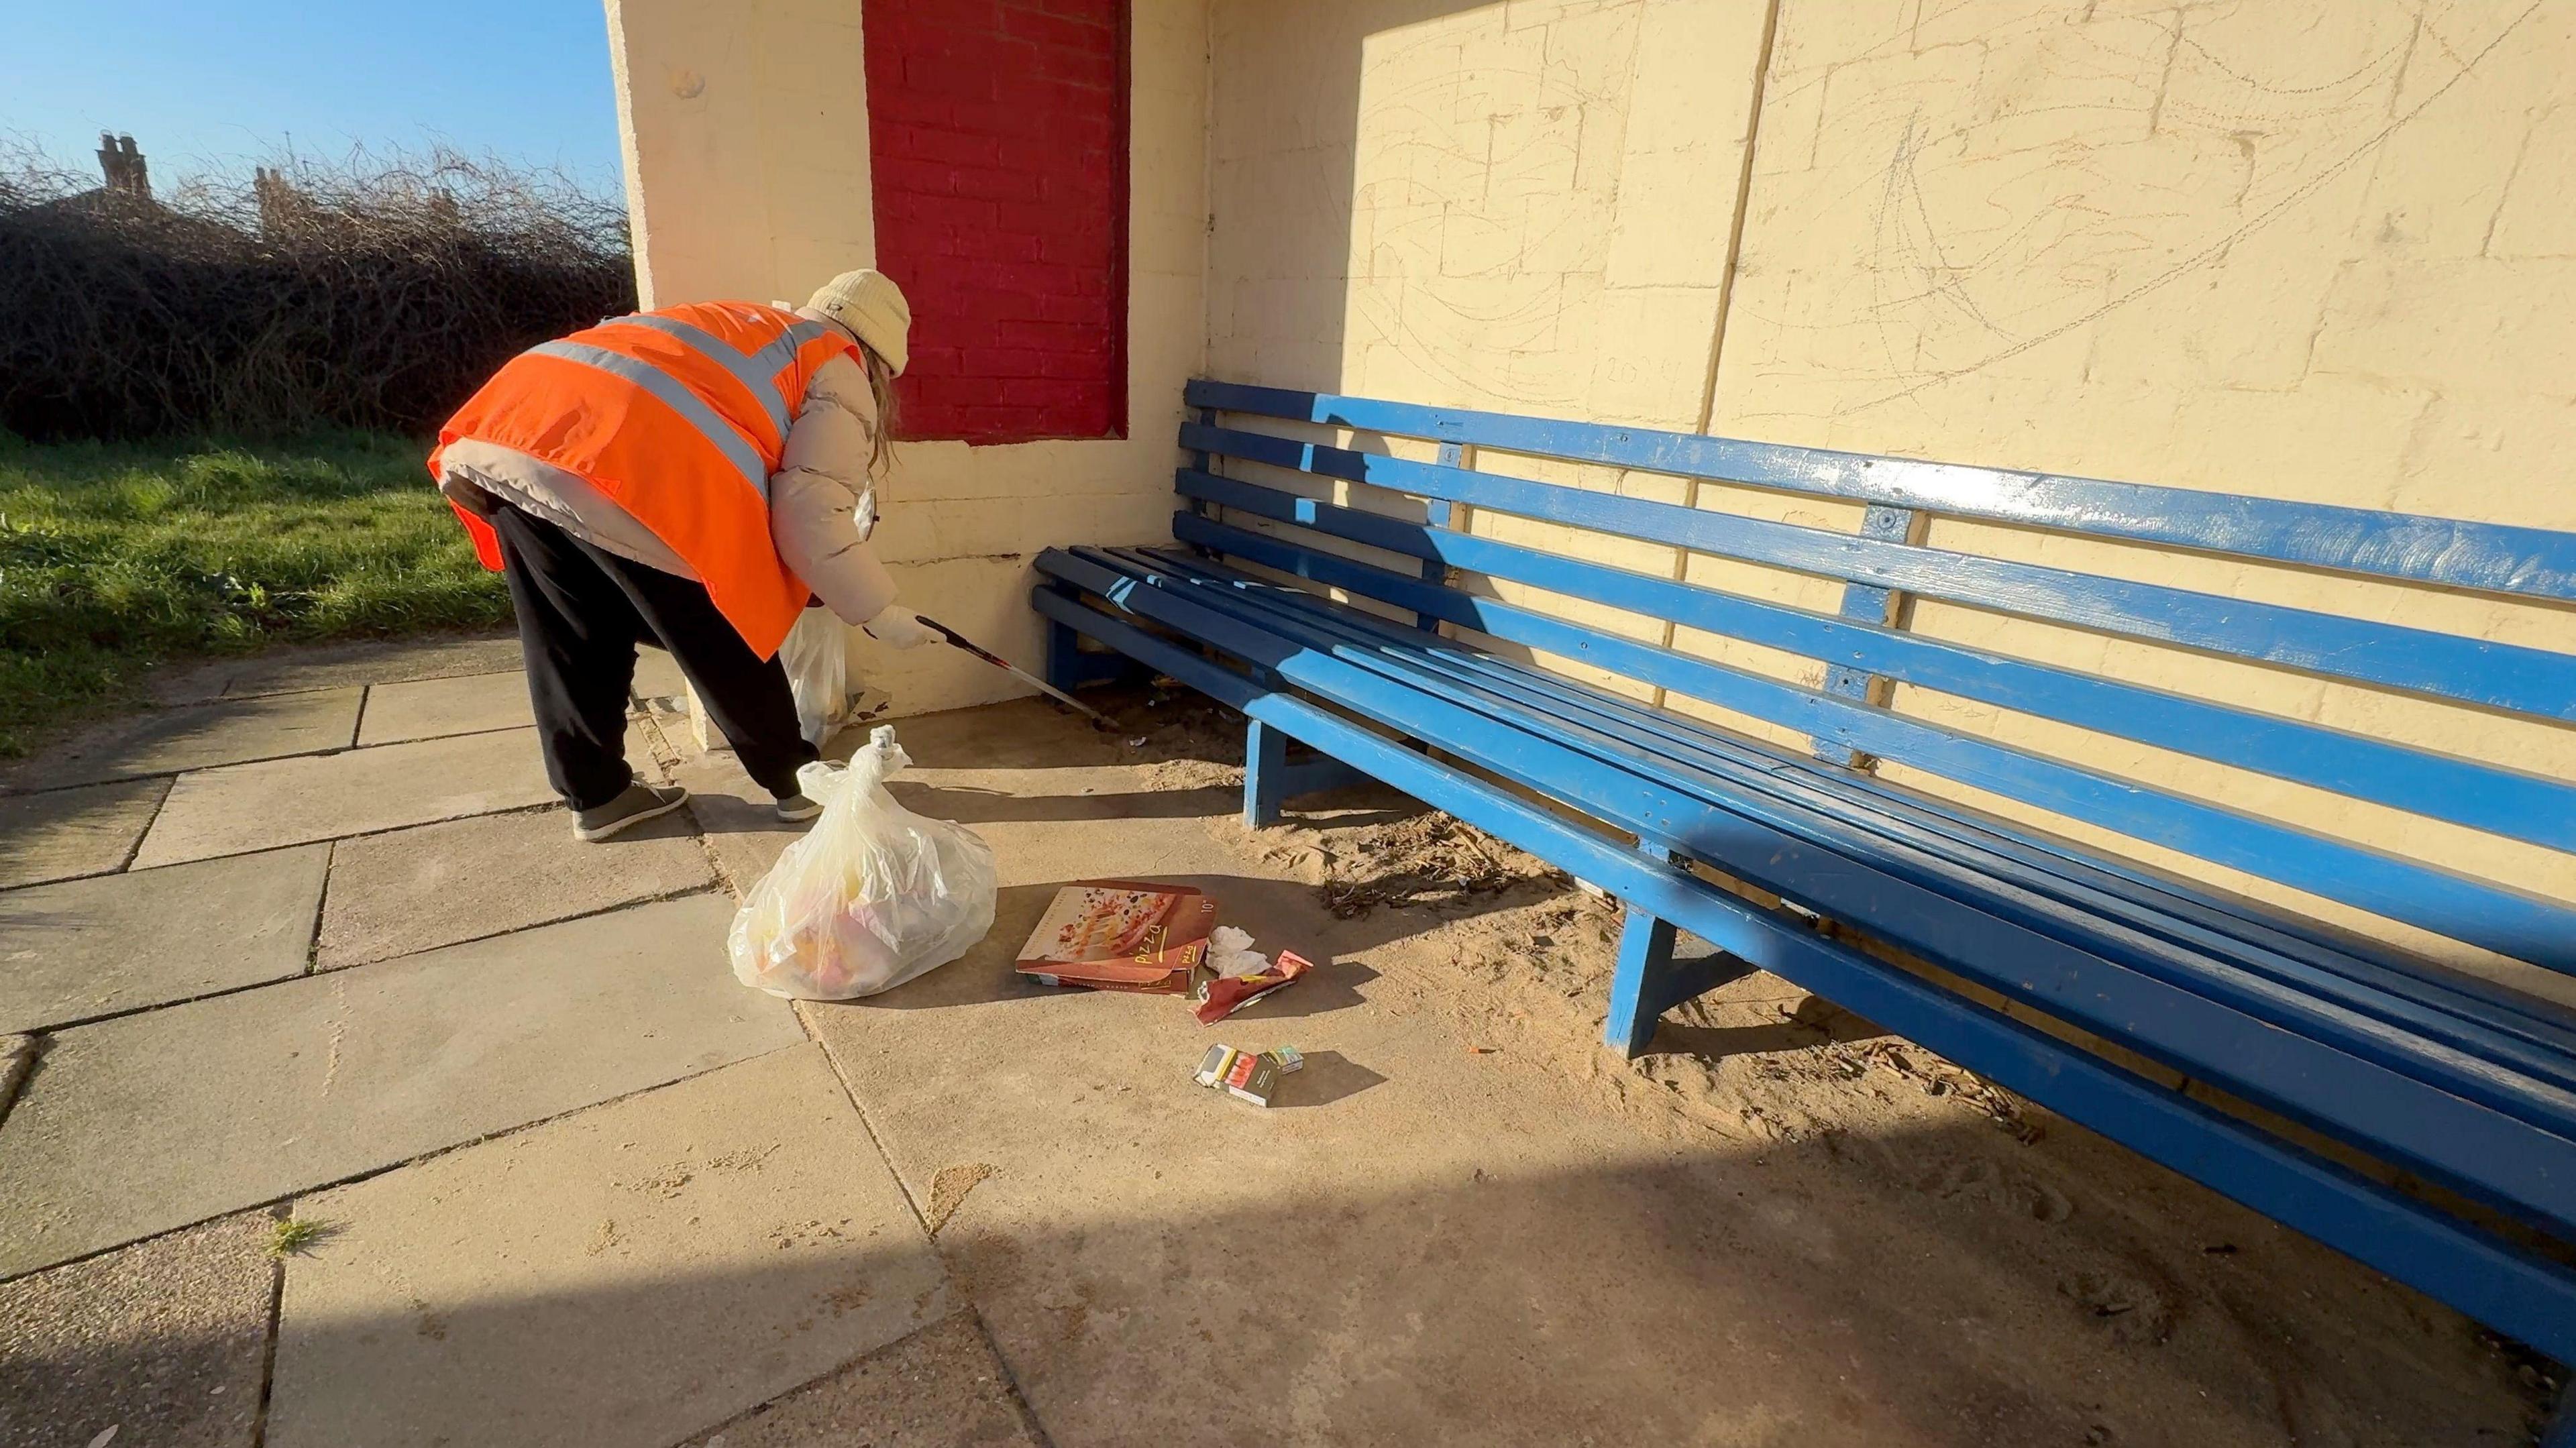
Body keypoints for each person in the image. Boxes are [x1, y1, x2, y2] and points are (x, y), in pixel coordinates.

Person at [429, 268, 938, 842]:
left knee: (571, 631)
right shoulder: (837, 364)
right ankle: (798, 783)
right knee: (724, 627)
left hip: (511, 432)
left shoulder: (757, 327)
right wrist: (878, 611)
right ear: (878, 355)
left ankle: (597, 794)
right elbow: (809, 510)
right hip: (622, 460)